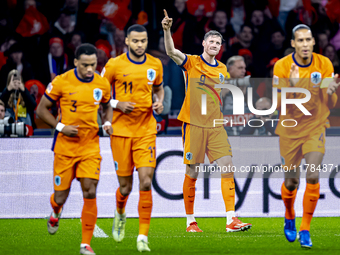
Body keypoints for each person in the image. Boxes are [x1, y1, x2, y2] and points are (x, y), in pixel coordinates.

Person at [162, 9, 251, 232]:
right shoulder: (191, 62)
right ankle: (190, 221)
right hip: (193, 125)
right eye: (211, 41)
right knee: (193, 172)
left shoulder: (222, 69)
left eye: (218, 43)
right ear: (204, 43)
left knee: (228, 167)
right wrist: (166, 29)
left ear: (220, 48)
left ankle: (231, 219)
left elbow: (221, 93)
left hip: (215, 126)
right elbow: (171, 51)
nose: (214, 45)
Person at [36, 43, 113, 255]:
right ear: (75, 62)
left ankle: (85, 244)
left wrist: (107, 123)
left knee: (90, 190)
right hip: (65, 148)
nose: (90, 70)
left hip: (90, 146)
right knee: (61, 196)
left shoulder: (102, 83)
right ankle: (55, 211)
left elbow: (107, 106)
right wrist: (60, 127)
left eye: (94, 65)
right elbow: (41, 109)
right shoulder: (61, 81)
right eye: (86, 65)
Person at [273, 24, 340, 249]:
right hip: (290, 131)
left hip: (315, 127)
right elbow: (277, 105)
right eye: (300, 41)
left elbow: (330, 103)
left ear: (313, 42)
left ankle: (305, 229)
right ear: (293, 44)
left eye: (308, 40)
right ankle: (289, 214)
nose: (304, 44)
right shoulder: (281, 67)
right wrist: (292, 87)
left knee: (313, 175)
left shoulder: (324, 64)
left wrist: (331, 93)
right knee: (291, 183)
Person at [102, 24, 164, 252]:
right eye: (136, 41)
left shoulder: (155, 64)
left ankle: (142, 237)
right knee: (125, 188)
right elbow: (98, 94)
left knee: (146, 181)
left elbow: (159, 88)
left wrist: (160, 101)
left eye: (144, 41)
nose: (140, 45)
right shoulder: (114, 65)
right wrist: (117, 104)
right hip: (120, 131)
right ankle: (120, 212)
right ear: (126, 41)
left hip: (146, 129)